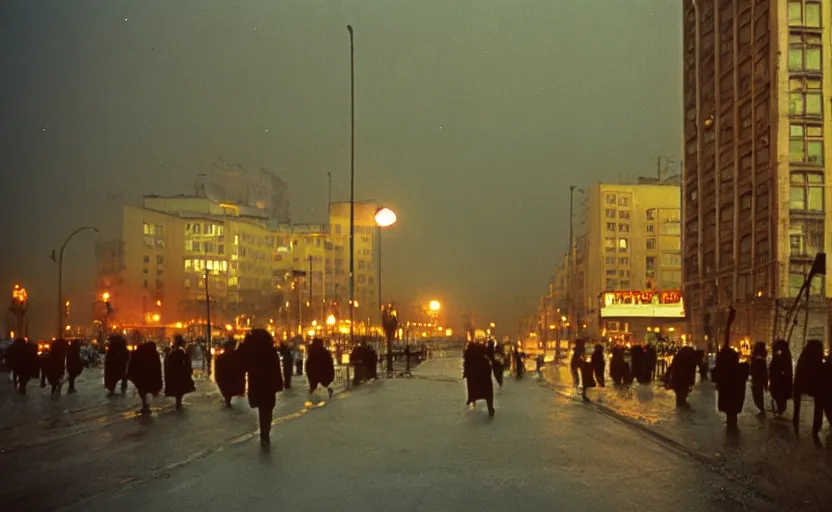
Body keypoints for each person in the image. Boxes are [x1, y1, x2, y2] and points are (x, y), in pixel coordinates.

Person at [241, 329, 283, 447]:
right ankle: (265, 433)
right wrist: (278, 384)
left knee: (262, 409)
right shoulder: (271, 351)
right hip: (269, 384)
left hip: (257, 384)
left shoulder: (251, 352)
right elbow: (276, 369)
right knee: (267, 410)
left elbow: (244, 365)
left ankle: (264, 433)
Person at [793, 339, 825, 437]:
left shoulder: (804, 358)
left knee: (816, 403)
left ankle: (796, 418)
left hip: (804, 383)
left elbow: (798, 373)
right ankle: (816, 427)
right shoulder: (819, 361)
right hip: (815, 385)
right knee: (819, 404)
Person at [128, 340, 163, 415]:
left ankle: (145, 406)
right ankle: (146, 406)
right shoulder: (153, 354)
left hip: (141, 377)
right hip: (146, 377)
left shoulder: (141, 352)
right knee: (145, 392)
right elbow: (157, 368)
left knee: (143, 392)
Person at [164, 335, 195, 411]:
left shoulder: (178, 351)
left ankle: (178, 404)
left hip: (177, 373)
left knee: (178, 390)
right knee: (179, 391)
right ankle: (178, 404)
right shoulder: (178, 351)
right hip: (178, 373)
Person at [463, 343, 495, 417]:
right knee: (488, 394)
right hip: (485, 383)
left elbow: (467, 370)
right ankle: (490, 408)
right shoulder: (484, 361)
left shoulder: (469, 360)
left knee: (472, 390)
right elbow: (488, 371)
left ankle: (471, 398)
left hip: (474, 382)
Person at [215, 338, 245, 407]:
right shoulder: (225, 357)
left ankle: (228, 401)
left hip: (229, 379)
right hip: (227, 378)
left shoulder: (235, 356)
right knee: (227, 391)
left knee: (228, 392)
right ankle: (228, 401)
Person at [768, 339, 793, 416]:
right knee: (777, 394)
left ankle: (781, 408)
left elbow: (784, 367)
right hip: (777, 379)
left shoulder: (783, 355)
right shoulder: (780, 354)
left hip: (781, 380)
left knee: (779, 394)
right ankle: (781, 408)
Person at [749, 342, 768, 414]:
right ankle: (760, 407)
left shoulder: (760, 357)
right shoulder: (758, 356)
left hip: (758, 378)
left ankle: (761, 407)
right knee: (757, 393)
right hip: (757, 377)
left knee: (758, 393)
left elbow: (762, 369)